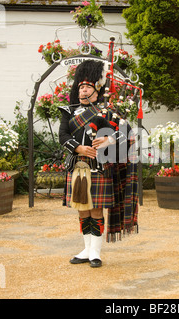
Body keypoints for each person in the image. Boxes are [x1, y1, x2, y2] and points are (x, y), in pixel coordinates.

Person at [58, 59, 138, 268]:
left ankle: (96, 252)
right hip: (76, 166)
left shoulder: (107, 112)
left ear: (97, 89)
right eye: (81, 87)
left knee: (95, 210)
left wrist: (108, 140)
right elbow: (63, 136)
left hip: (99, 167)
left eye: (88, 87)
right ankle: (86, 249)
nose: (83, 91)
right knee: (82, 209)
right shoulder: (68, 111)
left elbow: (127, 135)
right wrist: (79, 148)